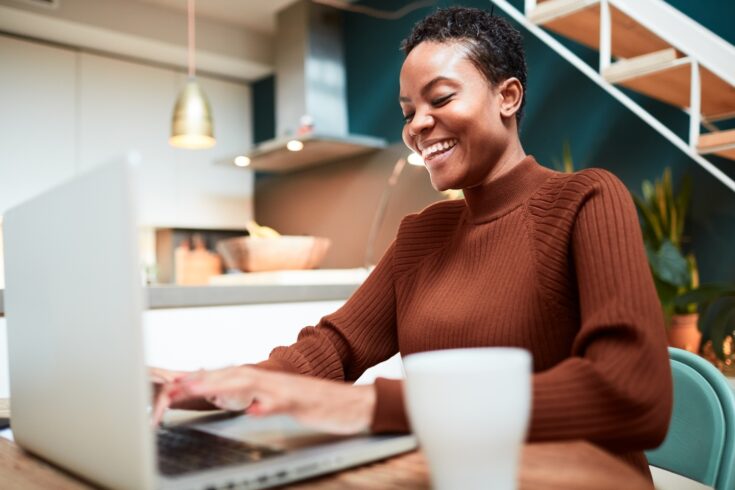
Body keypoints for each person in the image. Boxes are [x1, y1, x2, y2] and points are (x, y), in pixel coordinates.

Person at [153, 7, 672, 477]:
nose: (419, 125)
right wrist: (204, 385)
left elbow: (632, 394)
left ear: (507, 96)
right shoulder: (421, 234)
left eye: (441, 98)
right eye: (407, 111)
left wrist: (370, 406)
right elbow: (332, 349)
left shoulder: (586, 199)